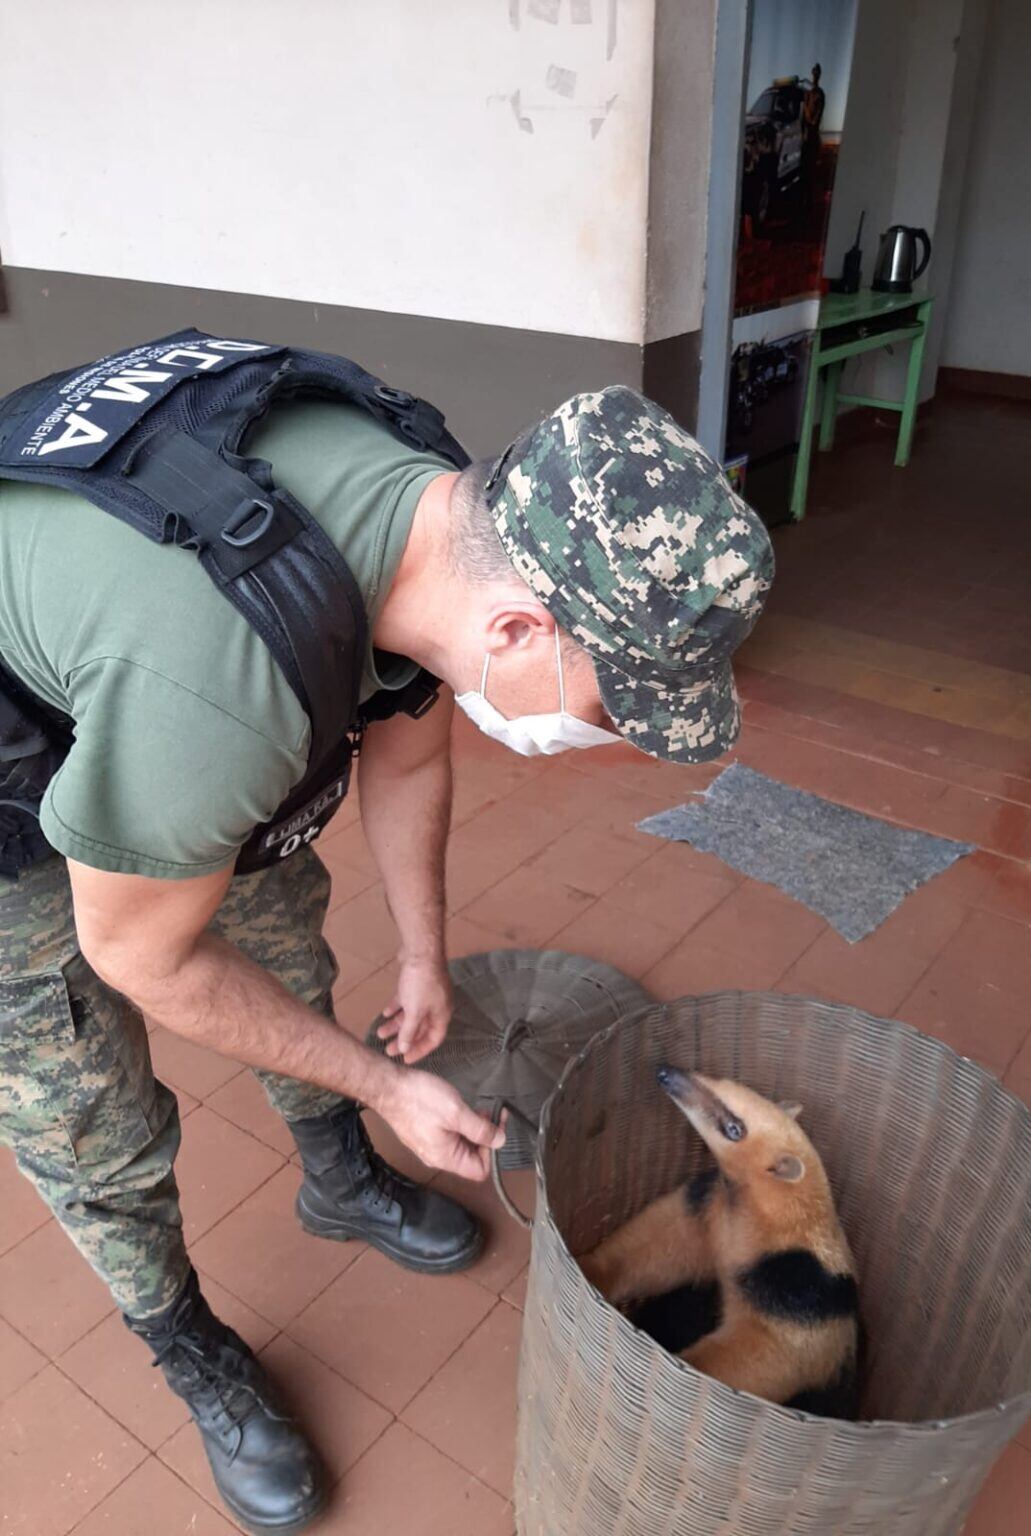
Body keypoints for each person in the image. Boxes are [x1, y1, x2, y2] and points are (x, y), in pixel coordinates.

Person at [0, 364, 774, 1532]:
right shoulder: (219, 693)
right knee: (83, 1106)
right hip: (24, 780)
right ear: (520, 625)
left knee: (283, 947)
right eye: (610, 707)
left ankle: (336, 1174)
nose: (594, 736)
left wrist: (423, 954)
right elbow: (143, 961)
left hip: (143, 689)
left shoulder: (440, 515)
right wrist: (387, 1085)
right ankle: (186, 1341)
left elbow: (406, 740)